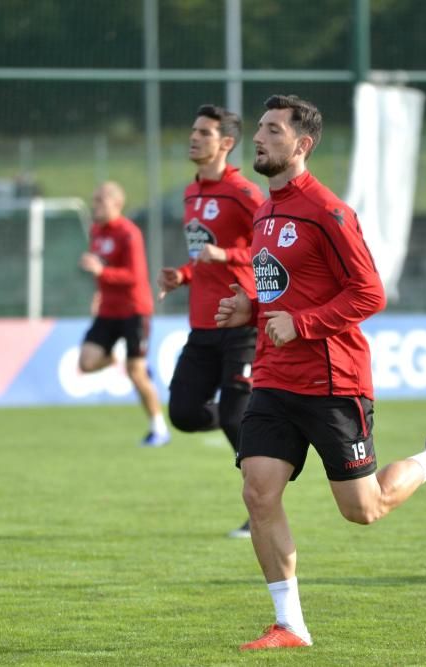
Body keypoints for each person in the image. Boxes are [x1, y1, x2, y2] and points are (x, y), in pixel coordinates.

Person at [215, 94, 426, 651]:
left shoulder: (329, 211)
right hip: (274, 379)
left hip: (331, 380)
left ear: (303, 144)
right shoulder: (266, 210)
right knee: (258, 492)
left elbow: (370, 293)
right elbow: (282, 287)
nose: (260, 138)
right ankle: (290, 624)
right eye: (260, 129)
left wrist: (305, 324)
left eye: (273, 130)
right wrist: (253, 307)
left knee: (363, 510)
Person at [157, 104, 266, 538]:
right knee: (183, 413)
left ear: (226, 143)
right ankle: (267, 432)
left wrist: (228, 255)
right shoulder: (190, 194)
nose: (194, 137)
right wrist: (182, 275)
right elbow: (202, 255)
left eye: (204, 132)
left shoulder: (244, 194)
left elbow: (267, 248)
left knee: (235, 419)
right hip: (202, 328)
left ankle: (262, 507)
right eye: (193, 130)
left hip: (240, 325)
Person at [79, 181, 170, 447]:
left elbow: (135, 276)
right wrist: (99, 290)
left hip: (134, 310)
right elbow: (104, 266)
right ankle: (124, 358)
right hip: (108, 310)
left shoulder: (129, 233)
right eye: (94, 200)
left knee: (136, 373)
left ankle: (159, 429)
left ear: (116, 204)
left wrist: (101, 273)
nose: (94, 205)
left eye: (100, 201)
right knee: (86, 363)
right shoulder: (96, 231)